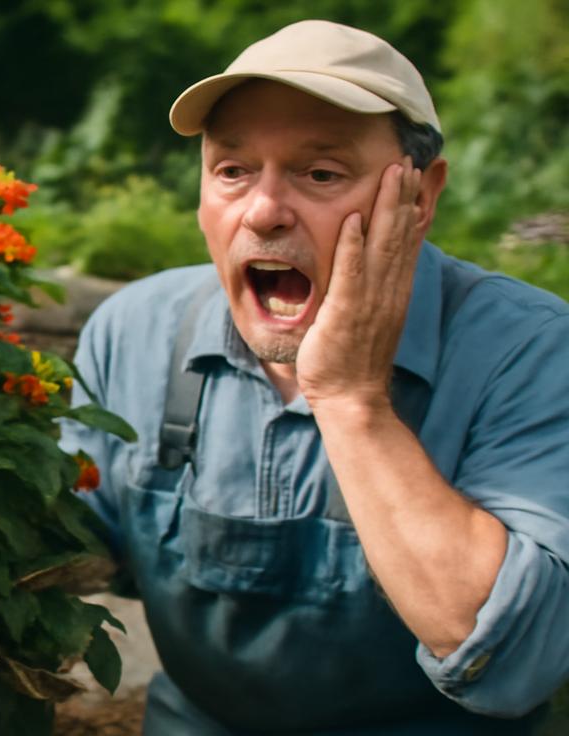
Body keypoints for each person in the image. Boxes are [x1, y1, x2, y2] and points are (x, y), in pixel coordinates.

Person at [60, 19, 569, 735]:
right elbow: (60, 552)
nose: (264, 212)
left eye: (320, 173)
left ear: (420, 198)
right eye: (232, 171)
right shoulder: (136, 330)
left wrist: (354, 400)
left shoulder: (532, 351)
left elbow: (515, 658)